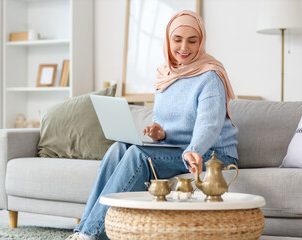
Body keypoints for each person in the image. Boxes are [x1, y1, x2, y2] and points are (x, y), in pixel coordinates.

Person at [66, 10, 238, 240]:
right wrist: (159, 131)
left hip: (212, 154)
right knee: (118, 148)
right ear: (168, 40)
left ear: (201, 42)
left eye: (192, 40)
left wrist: (194, 149)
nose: (184, 47)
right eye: (177, 40)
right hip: (174, 149)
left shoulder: (211, 76)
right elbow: (167, 119)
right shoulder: (165, 74)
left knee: (139, 156)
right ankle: (82, 230)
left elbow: (209, 123)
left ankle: (91, 234)